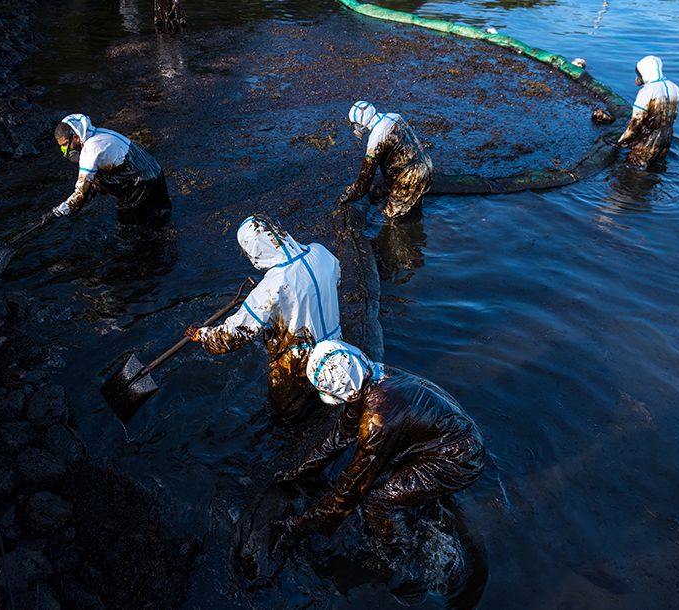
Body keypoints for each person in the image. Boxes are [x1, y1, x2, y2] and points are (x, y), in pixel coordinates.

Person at [272, 340, 485, 558]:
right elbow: (340, 436)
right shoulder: (373, 376)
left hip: (458, 459)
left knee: (376, 503)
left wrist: (299, 525)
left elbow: (353, 487)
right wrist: (298, 473)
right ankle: (419, 502)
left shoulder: (377, 421)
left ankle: (403, 560)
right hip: (450, 435)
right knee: (387, 476)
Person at [185, 215, 342, 422]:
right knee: (322, 401)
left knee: (285, 415)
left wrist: (202, 334)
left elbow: (233, 336)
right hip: (335, 345)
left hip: (296, 363)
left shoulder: (273, 285)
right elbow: (334, 281)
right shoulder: (320, 252)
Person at [51, 113, 171, 225]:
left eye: (65, 145)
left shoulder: (90, 151)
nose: (65, 151)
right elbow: (100, 180)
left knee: (130, 228)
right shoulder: (101, 133)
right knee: (161, 219)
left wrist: (57, 212)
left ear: (76, 137)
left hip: (141, 182)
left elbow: (81, 193)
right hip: (154, 170)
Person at [337, 101, 433, 220]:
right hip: (426, 165)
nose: (355, 128)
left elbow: (367, 174)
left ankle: (401, 234)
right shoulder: (394, 116)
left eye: (354, 124)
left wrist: (351, 192)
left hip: (410, 177)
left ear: (361, 123)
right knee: (415, 204)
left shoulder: (376, 137)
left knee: (390, 216)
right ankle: (418, 223)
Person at [614, 56, 679, 169]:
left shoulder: (647, 92)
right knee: (657, 168)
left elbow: (635, 123)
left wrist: (622, 143)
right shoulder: (674, 87)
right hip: (666, 139)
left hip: (646, 142)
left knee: (635, 171)